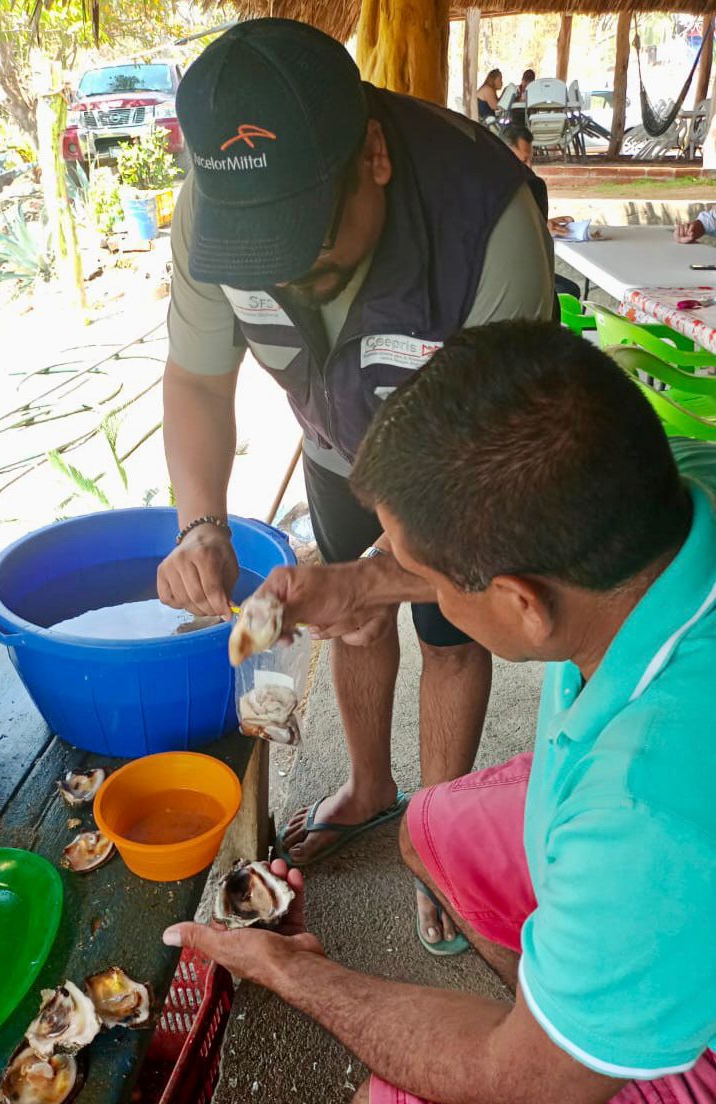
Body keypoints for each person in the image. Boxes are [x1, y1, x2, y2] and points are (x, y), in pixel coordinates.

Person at [164, 321, 716, 1104]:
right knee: (429, 827)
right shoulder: (676, 490)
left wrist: (296, 972)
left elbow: (517, 1083)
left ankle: (576, 1035)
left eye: (417, 568)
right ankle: (561, 999)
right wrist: (360, 585)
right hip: (654, 851)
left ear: (523, 603)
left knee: (405, 1095)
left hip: (689, 1018)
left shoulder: (642, 808)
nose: (394, 571)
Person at [158, 18, 554, 950]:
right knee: (347, 610)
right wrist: (199, 522)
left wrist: (384, 572)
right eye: (260, 250)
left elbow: (496, 508)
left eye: (307, 238)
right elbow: (199, 378)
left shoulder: (486, 224)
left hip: (465, 463)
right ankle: (372, 786)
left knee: (450, 627)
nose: (286, 273)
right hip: (337, 446)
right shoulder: (212, 221)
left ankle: (439, 838)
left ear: (372, 154)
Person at [504, 124, 581, 299]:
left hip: (519, 268)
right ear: (503, 154)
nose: (529, 167)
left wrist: (544, 223)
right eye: (523, 161)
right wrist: (538, 226)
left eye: (531, 160)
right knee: (568, 291)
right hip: (509, 271)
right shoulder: (525, 186)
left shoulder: (530, 184)